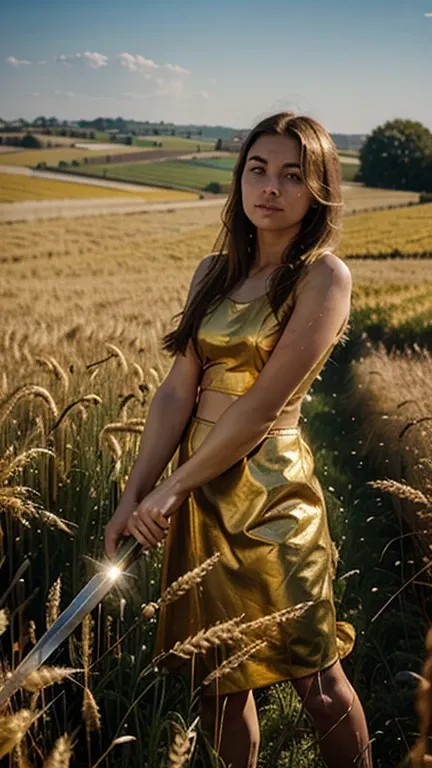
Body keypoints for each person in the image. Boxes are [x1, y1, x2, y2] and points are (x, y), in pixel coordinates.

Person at [104, 111, 373, 768]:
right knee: (216, 683)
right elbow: (177, 392)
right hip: (198, 497)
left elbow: (259, 408)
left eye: (291, 175)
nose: (271, 188)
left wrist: (169, 488)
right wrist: (134, 493)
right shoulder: (212, 271)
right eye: (258, 170)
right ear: (239, 178)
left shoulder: (323, 277)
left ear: (318, 190)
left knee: (318, 680)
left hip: (271, 492)